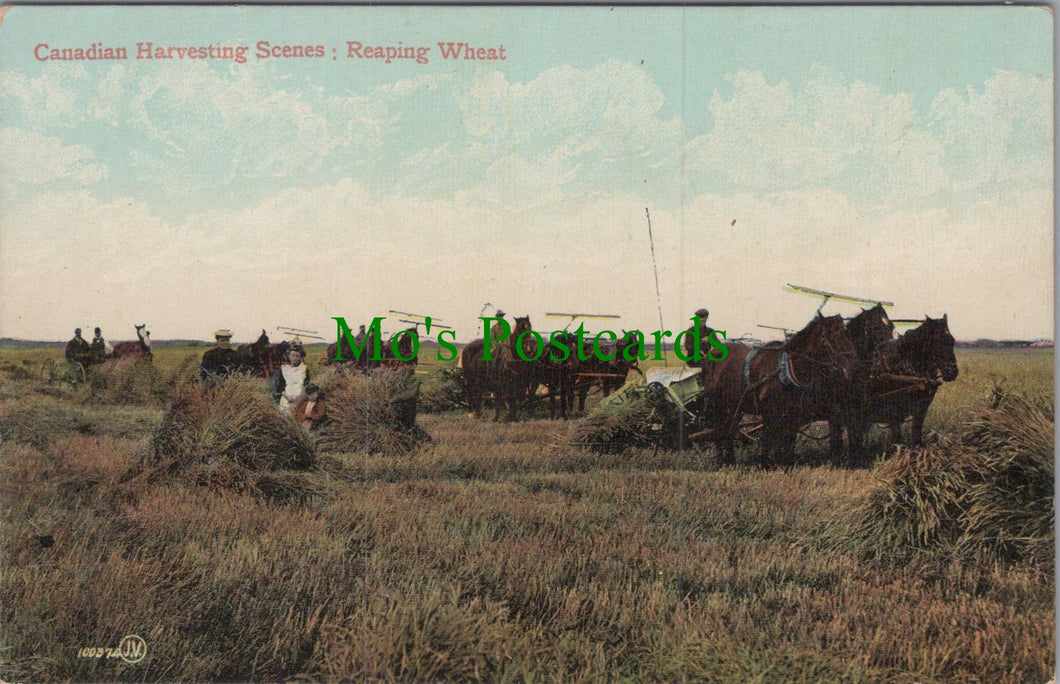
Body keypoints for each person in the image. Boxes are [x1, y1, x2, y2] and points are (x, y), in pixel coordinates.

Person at [269, 345, 310, 412]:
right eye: (293, 356)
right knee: (286, 412)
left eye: (297, 356)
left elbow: (306, 384)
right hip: (287, 396)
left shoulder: (304, 368)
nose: (295, 358)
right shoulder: (284, 368)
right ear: (289, 356)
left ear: (300, 357)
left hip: (301, 397)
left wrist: (300, 398)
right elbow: (280, 386)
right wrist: (288, 398)